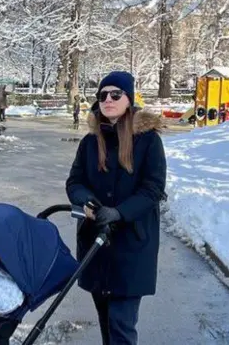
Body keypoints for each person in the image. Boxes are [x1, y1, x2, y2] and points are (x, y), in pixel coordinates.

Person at [65, 71, 167, 345]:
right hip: (95, 245)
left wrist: (120, 212)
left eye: (115, 94)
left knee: (121, 325)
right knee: (106, 322)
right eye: (102, 95)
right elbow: (75, 181)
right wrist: (85, 199)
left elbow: (153, 188)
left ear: (129, 99)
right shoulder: (90, 142)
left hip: (131, 246)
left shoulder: (148, 141)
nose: (108, 100)